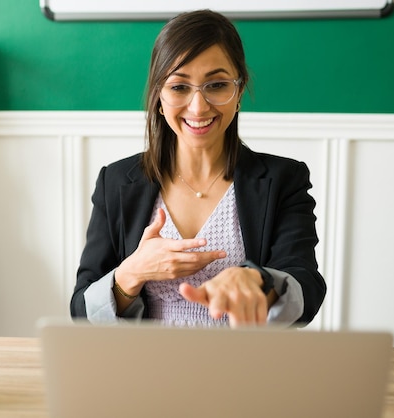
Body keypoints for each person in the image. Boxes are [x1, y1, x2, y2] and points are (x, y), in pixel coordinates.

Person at [70, 9, 326, 327]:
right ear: (159, 98)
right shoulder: (116, 181)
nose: (198, 106)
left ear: (239, 92)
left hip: (246, 370)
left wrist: (259, 283)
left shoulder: (284, 179)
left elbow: (307, 287)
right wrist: (132, 272)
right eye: (179, 87)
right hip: (143, 371)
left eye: (217, 85)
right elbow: (81, 310)